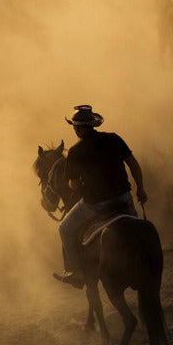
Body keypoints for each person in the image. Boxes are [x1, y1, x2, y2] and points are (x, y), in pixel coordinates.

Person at [53, 105, 148, 289]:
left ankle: (76, 272)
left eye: (74, 126)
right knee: (138, 230)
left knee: (64, 228)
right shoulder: (114, 139)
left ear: (78, 128)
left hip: (95, 206)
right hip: (123, 199)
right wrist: (141, 190)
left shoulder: (75, 151)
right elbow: (134, 166)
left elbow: (72, 184)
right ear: (93, 124)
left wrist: (79, 185)